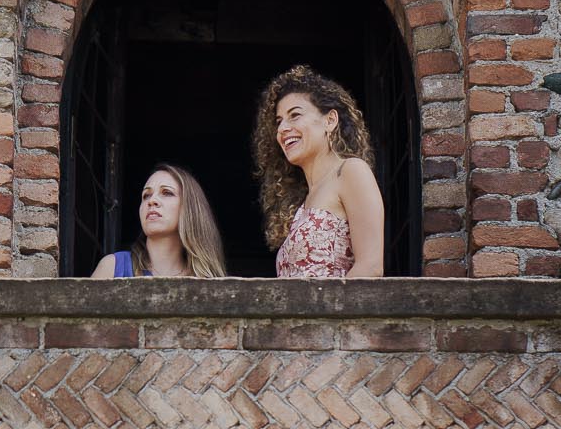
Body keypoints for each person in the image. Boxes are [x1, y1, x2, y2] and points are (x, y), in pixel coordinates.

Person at [252, 66, 385, 279]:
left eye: (294, 115)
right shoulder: (302, 204)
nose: (282, 129)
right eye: (279, 121)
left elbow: (370, 267)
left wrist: (328, 312)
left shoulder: (351, 171)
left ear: (330, 120)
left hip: (334, 312)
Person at [92, 163, 227, 278]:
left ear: (191, 208)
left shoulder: (205, 280)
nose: (152, 201)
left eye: (167, 193)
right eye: (146, 195)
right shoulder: (113, 268)